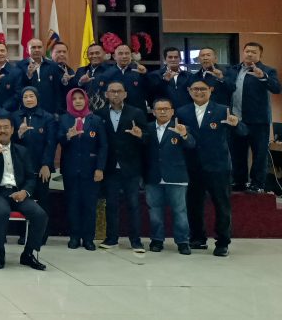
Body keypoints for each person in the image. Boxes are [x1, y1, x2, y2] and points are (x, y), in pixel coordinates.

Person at [177, 79, 242, 256]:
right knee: (194, 204)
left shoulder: (223, 110)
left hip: (218, 166)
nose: (199, 92)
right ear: (189, 90)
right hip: (192, 166)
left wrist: (236, 124)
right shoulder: (182, 111)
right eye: (195, 89)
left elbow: (243, 132)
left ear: (211, 90)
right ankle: (197, 238)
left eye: (203, 89)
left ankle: (222, 242)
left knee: (222, 205)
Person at [0, 115, 48, 270]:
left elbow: (30, 177)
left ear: (12, 129)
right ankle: (0, 252)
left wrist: (25, 192)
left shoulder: (22, 151)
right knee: (1, 212)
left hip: (18, 193)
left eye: (6, 127)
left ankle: (28, 254)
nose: (2, 130)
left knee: (40, 214)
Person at [94, 81, 148, 252]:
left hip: (131, 167)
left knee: (133, 205)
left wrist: (140, 135)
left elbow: (147, 138)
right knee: (111, 205)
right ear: (106, 94)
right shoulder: (99, 114)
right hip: (110, 168)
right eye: (112, 91)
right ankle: (111, 238)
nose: (115, 94)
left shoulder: (136, 113)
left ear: (125, 94)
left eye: (119, 91)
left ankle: (136, 241)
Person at [226, 42, 280, 193]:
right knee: (237, 153)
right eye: (247, 51)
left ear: (260, 55)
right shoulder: (233, 70)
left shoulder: (268, 70)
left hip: (258, 121)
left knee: (259, 154)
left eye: (254, 52)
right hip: (236, 120)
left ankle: (257, 184)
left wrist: (263, 76)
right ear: (243, 52)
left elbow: (276, 88)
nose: (249, 54)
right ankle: (239, 181)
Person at [58, 88, 107, 251]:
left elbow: (103, 146)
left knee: (89, 205)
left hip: (91, 170)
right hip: (70, 169)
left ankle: (88, 239)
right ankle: (74, 237)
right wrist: (68, 136)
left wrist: (100, 168)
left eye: (81, 98)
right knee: (72, 204)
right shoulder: (64, 119)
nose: (78, 101)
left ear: (86, 100)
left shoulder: (96, 120)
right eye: (74, 99)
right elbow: (60, 140)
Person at [144, 98, 194, 254]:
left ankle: (183, 242)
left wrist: (184, 135)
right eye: (159, 109)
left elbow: (191, 145)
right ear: (153, 112)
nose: (162, 111)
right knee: (154, 211)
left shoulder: (181, 127)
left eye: (166, 109)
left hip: (176, 176)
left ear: (172, 111)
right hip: (153, 176)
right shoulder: (147, 128)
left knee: (180, 211)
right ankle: (157, 240)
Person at [11, 87, 56, 246]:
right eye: (25, 97)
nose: (28, 99)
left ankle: (41, 236)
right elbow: (10, 142)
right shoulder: (15, 116)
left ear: (37, 98)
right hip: (20, 168)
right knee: (22, 201)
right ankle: (23, 234)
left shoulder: (47, 117)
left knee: (42, 201)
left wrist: (46, 165)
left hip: (41, 167)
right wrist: (19, 134)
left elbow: (51, 143)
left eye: (31, 96)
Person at [95, 44, 149, 112]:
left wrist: (145, 74)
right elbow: (102, 95)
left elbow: (149, 89)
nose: (124, 56)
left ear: (131, 56)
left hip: (137, 112)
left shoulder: (140, 71)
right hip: (114, 112)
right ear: (114, 56)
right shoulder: (107, 73)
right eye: (120, 54)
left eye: (127, 53)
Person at [17, 38, 62, 114]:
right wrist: (28, 75)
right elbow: (19, 89)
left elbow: (58, 91)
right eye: (33, 47)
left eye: (39, 47)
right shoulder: (20, 66)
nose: (37, 50)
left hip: (49, 111)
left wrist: (57, 111)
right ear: (27, 50)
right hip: (28, 110)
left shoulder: (53, 66)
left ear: (43, 49)